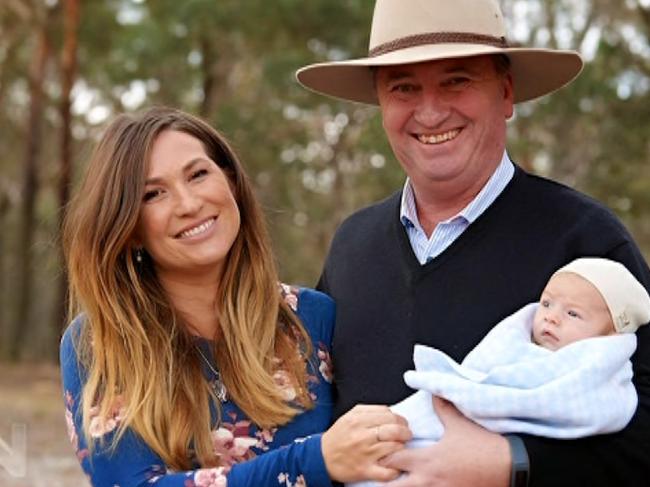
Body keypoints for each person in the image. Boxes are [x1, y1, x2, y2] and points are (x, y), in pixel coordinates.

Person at [296, 0, 650, 485]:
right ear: (381, 104)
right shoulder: (352, 245)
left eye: (456, 81)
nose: (431, 110)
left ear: (506, 93)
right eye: (403, 87)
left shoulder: (586, 242)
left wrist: (512, 464)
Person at [59, 106, 411, 487]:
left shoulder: (313, 318)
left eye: (198, 175)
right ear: (129, 229)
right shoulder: (98, 342)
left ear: (231, 183)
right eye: (153, 194)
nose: (189, 204)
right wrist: (316, 460)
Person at [350, 257, 650, 487]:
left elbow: (625, 439)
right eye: (547, 303)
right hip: (404, 432)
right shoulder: (355, 242)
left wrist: (511, 461)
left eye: (573, 313)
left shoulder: (592, 371)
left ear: (610, 335)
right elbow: (481, 373)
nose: (551, 317)